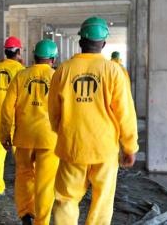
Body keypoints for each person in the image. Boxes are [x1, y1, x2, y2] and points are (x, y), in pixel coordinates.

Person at [49, 17, 138, 225]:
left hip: (72, 146)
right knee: (102, 202)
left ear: (81, 41)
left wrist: (63, 133)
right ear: (104, 44)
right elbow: (125, 113)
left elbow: (53, 112)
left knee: (66, 199)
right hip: (104, 149)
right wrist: (129, 146)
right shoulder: (114, 71)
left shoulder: (63, 70)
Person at [0, 39, 60, 225]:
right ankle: (41, 221)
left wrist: (5, 135)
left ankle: (26, 213)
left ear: (34, 56)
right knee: (45, 183)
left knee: (24, 176)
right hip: (49, 139)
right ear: (52, 58)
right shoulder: (57, 77)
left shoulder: (21, 76)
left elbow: (7, 108)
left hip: (24, 137)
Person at [0, 36, 25, 199]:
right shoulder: (20, 70)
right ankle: (22, 185)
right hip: (16, 118)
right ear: (18, 52)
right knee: (20, 154)